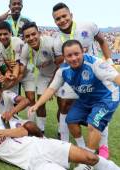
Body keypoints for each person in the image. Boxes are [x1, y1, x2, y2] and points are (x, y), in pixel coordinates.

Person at [29, 40, 120, 169]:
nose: (73, 58)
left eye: (76, 54)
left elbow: (117, 78)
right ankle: (82, 148)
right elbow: (51, 89)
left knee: (93, 124)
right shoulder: (63, 70)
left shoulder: (95, 63)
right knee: (71, 120)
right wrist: (37, 105)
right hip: (85, 99)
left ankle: (87, 162)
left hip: (106, 98)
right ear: (64, 57)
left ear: (83, 51)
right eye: (69, 56)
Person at [0, 100, 120, 170]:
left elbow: (24, 130)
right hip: (31, 162)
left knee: (90, 157)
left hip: (40, 145)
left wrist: (5, 132)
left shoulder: (1, 118)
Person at [52, 2, 112, 156]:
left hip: (93, 75)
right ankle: (66, 143)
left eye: (64, 16)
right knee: (64, 105)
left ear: (71, 15)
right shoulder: (57, 39)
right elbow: (60, 62)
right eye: (58, 18)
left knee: (99, 108)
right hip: (73, 76)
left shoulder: (88, 25)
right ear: (55, 21)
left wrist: (109, 61)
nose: (62, 20)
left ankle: (104, 146)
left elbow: (103, 41)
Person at [19, 22, 62, 134]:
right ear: (24, 38)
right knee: (40, 103)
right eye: (27, 36)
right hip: (43, 76)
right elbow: (21, 69)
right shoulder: (25, 49)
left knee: (62, 104)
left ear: (39, 33)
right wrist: (13, 76)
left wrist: (51, 87)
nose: (31, 38)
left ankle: (61, 131)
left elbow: (60, 65)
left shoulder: (50, 43)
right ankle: (40, 130)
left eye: (33, 34)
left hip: (59, 74)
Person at [0, 21, 26, 94]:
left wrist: (14, 75)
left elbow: (17, 63)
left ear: (10, 33)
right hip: (9, 71)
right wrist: (6, 64)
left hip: (23, 70)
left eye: (5, 34)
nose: (2, 37)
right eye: (0, 34)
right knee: (9, 94)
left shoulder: (18, 42)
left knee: (30, 96)